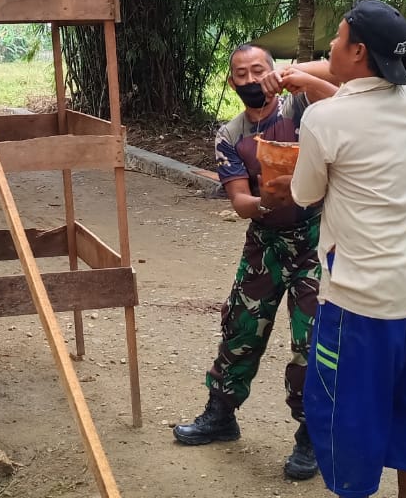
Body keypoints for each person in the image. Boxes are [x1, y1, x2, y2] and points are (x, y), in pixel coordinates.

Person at [172, 43, 336, 482]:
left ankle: (311, 436)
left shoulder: (301, 108)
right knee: (241, 328)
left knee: (311, 340)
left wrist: (296, 74)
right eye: (241, 74)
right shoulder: (231, 135)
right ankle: (220, 414)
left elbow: (346, 87)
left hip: (315, 240)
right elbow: (239, 200)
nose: (250, 80)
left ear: (273, 73)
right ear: (231, 82)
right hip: (264, 241)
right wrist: (265, 199)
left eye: (258, 70)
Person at [289, 0, 406, 498]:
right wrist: (304, 79)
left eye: (338, 37)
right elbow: (350, 104)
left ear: (359, 51)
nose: (330, 43)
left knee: (346, 418)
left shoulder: (323, 122)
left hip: (355, 303)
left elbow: (305, 194)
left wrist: (307, 88)